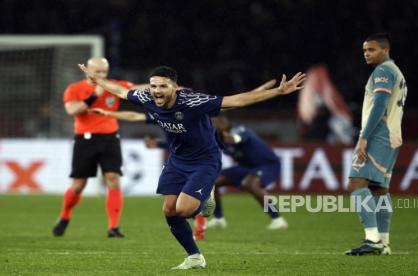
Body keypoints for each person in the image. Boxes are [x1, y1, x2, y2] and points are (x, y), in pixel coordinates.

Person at [78, 64, 305, 269]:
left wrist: (278, 91)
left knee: (185, 210)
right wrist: (96, 81)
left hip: (205, 161)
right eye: (154, 86)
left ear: (175, 88)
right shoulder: (146, 96)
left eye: (163, 86)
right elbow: (119, 91)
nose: (157, 90)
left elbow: (235, 101)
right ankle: (195, 257)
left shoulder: (193, 101)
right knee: (169, 210)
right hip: (177, 161)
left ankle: (207, 198)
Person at [52, 57, 145, 238]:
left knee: (113, 179)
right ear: (88, 70)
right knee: (79, 185)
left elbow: (135, 89)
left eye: (104, 72)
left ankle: (113, 227)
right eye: (98, 72)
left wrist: (164, 86)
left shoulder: (114, 85)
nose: (102, 75)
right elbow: (72, 110)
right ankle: (64, 216)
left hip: (110, 138)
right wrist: (95, 95)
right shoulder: (75, 89)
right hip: (84, 139)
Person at [345, 33, 407, 256]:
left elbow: (379, 104)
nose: (366, 54)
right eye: (364, 51)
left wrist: (363, 137)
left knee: (356, 184)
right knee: (379, 189)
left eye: (371, 50)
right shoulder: (396, 72)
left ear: (385, 50)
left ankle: (372, 240)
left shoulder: (382, 71)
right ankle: (384, 242)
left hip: (378, 135)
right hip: (392, 136)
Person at [205, 115, 287, 231]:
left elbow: (239, 138)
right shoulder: (218, 138)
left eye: (213, 121)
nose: (211, 124)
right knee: (213, 182)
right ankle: (218, 218)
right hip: (246, 167)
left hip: (267, 165)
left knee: (251, 184)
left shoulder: (239, 129)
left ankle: (278, 219)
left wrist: (233, 139)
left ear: (222, 121)